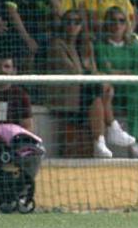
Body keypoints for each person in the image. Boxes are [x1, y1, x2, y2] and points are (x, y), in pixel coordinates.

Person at [91, 6, 138, 158]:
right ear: (106, 23)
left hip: (129, 88)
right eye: (113, 21)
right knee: (128, 90)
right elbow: (103, 70)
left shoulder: (133, 44)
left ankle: (133, 142)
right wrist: (124, 73)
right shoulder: (100, 45)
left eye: (121, 21)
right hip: (111, 89)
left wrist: (116, 71)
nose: (117, 25)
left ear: (127, 24)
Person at [45, 9, 105, 157]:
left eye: (77, 22)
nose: (72, 25)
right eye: (68, 22)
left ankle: (102, 138)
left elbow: (94, 72)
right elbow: (72, 72)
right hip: (65, 91)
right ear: (63, 25)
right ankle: (103, 137)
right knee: (96, 91)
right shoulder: (57, 45)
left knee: (102, 90)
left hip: (83, 91)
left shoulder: (85, 46)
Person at [2, 0, 60, 72]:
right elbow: (11, 12)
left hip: (39, 35)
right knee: (27, 49)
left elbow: (58, 10)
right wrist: (27, 39)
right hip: (15, 34)